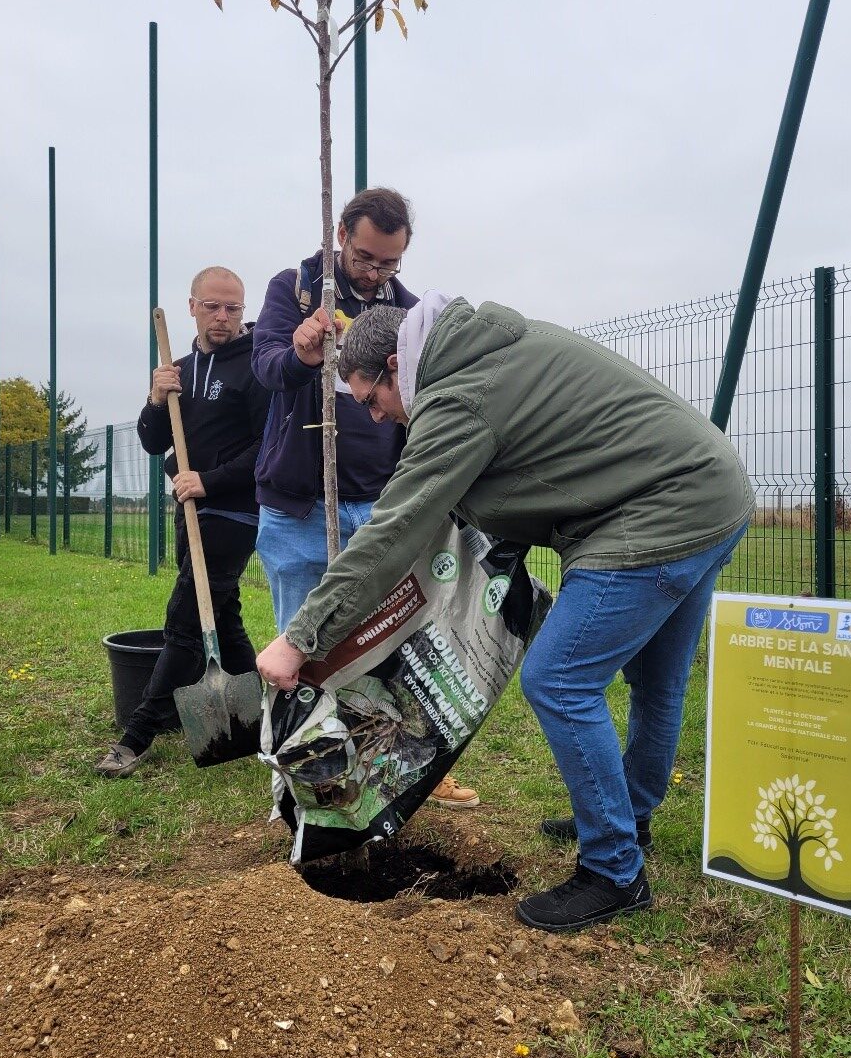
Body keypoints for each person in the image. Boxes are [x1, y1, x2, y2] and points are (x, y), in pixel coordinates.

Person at [256, 295, 756, 932]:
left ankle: (614, 870)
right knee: (656, 680)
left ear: (394, 365)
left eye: (371, 399)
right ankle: (628, 816)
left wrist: (301, 637)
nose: (376, 417)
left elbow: (393, 531)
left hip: (657, 514)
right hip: (714, 492)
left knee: (559, 680)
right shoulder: (486, 351)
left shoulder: (457, 398)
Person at [250, 188, 479, 811]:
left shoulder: (409, 314)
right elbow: (265, 368)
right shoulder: (296, 290)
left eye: (389, 263)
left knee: (387, 645)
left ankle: (394, 769)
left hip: (380, 504)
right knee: (297, 649)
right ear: (342, 235)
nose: (375, 272)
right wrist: (300, 353)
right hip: (299, 506)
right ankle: (298, 783)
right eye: (365, 257)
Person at [95, 268, 270, 777]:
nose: (223, 317)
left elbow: (267, 448)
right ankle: (265, 719)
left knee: (184, 624)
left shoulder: (256, 367)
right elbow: (154, 442)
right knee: (224, 620)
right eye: (212, 306)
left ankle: (136, 736)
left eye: (233, 308)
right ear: (192, 306)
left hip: (233, 514)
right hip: (189, 511)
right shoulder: (180, 370)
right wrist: (156, 398)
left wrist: (208, 481)